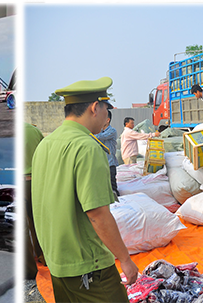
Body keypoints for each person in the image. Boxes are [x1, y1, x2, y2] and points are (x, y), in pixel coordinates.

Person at [32, 77, 138, 302]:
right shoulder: (87, 147)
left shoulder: (45, 145)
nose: (106, 117)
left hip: (58, 263)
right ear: (94, 107)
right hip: (89, 267)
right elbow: (98, 215)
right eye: (106, 110)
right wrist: (125, 259)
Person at [23, 122, 44, 280]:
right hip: (35, 181)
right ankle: (44, 256)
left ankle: (29, 269)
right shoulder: (33, 130)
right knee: (39, 221)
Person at [94, 109, 119, 195]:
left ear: (107, 120)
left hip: (110, 164)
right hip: (101, 164)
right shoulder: (99, 131)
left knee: (113, 188)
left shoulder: (112, 131)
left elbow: (99, 137)